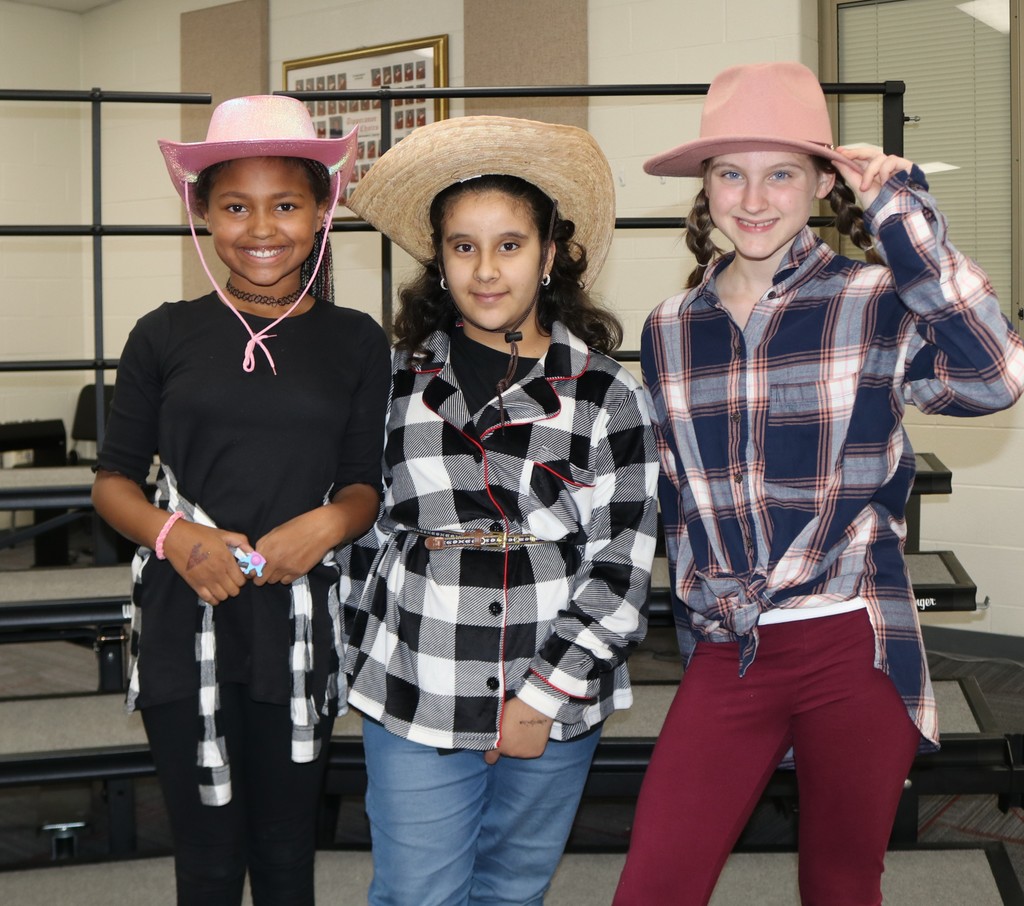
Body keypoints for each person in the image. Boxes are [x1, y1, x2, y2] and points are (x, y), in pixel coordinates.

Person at [613, 61, 1024, 906]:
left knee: (841, 884)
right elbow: (679, 500)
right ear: (705, 187)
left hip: (853, 644)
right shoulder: (668, 327)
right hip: (732, 647)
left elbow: (994, 377)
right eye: (731, 173)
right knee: (655, 884)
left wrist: (903, 220)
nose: (753, 199)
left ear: (820, 184)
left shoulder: (874, 298)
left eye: (781, 174)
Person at [342, 115, 659, 906]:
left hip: (554, 692)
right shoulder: (391, 383)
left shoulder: (606, 394)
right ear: (439, 260)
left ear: (550, 254)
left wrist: (543, 697)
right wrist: (362, 657)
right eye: (463, 245)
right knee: (416, 895)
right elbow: (359, 532)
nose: (487, 270)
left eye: (510, 244)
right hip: (416, 686)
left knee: (513, 892)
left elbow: (622, 565)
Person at [91, 95, 391, 905]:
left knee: (290, 854)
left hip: (298, 621)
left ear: (324, 209)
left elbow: (366, 482)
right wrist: (177, 539)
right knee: (209, 859)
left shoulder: (358, 339)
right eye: (235, 206)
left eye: (287, 204)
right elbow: (113, 481)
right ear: (202, 214)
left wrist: (328, 525)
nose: (262, 228)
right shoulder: (163, 334)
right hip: (186, 614)